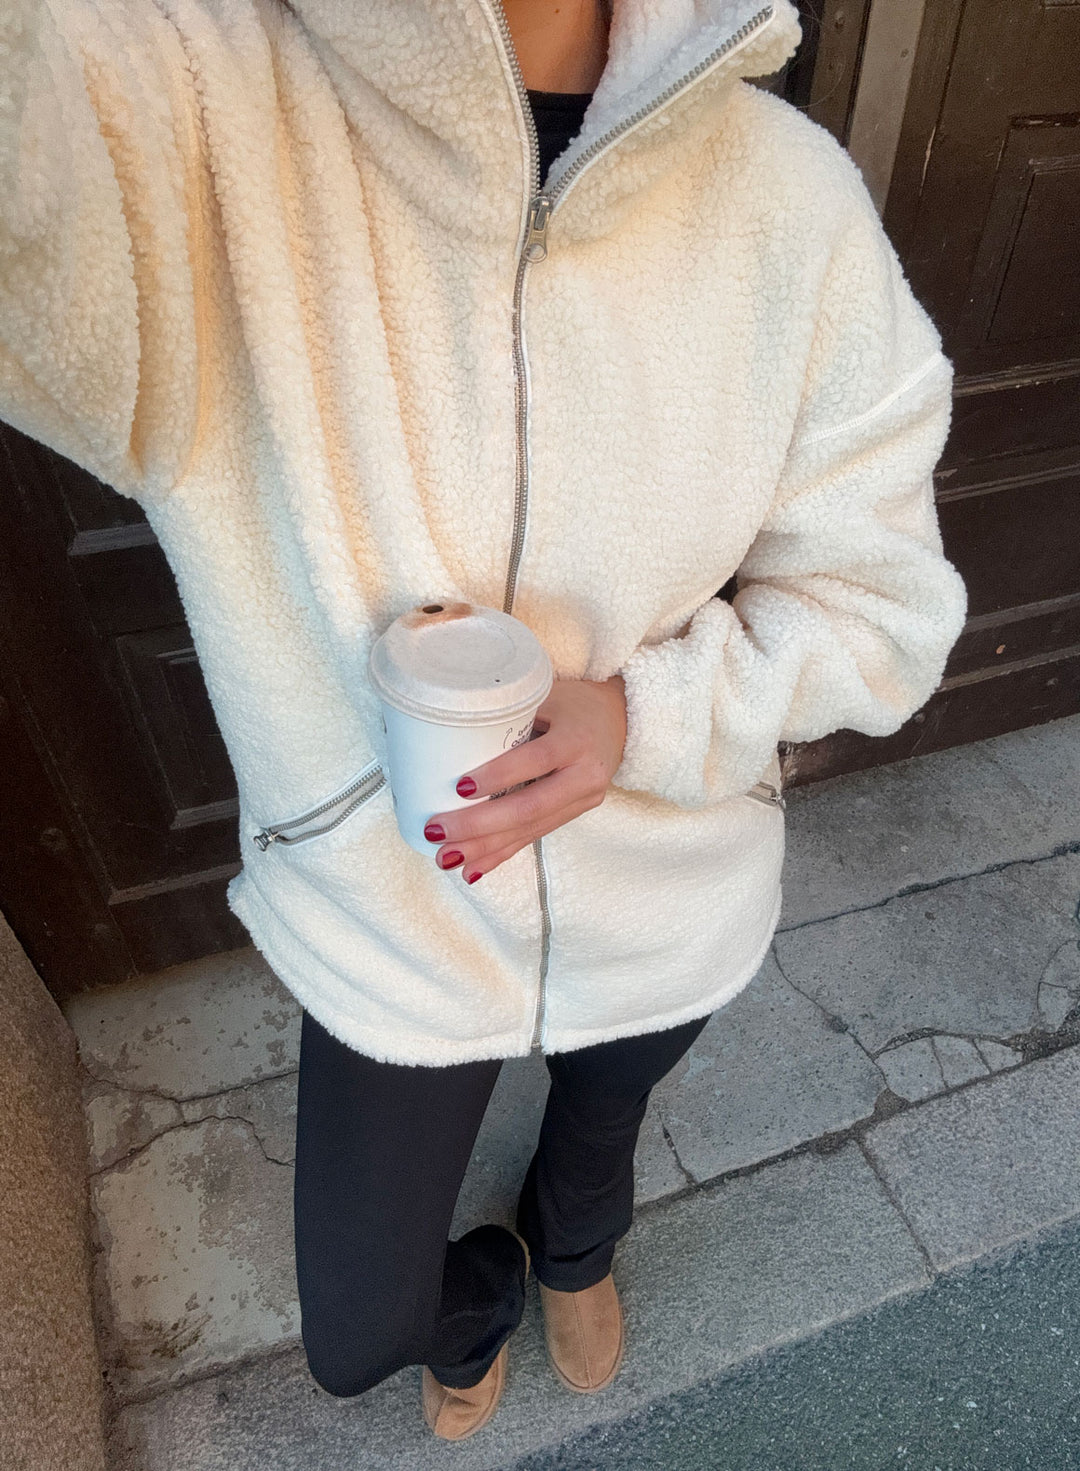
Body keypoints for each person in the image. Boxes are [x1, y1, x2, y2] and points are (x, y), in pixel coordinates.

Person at [0, 0, 968, 1444]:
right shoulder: (193, 111)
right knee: (359, 1330)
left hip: (671, 879)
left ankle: (574, 1237)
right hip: (400, 907)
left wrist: (642, 715)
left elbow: (883, 607)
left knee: (605, 1113)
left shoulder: (790, 198)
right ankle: (482, 1297)